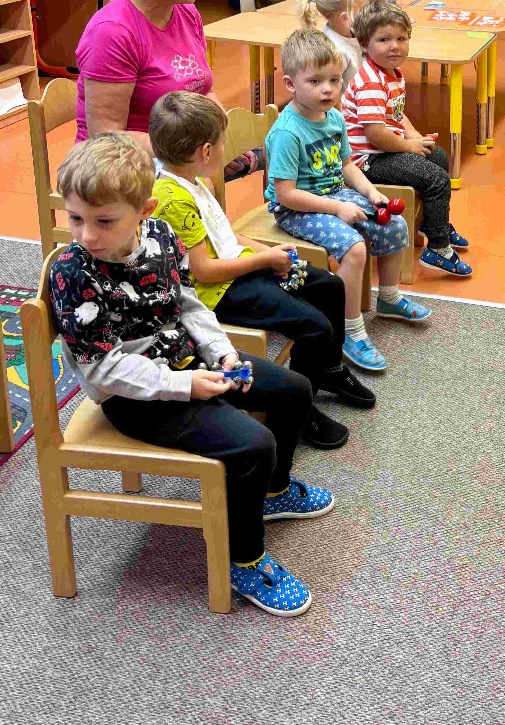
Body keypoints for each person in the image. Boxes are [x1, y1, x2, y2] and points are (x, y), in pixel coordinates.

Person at [47, 133, 334, 617]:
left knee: (295, 390)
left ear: (144, 211)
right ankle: (244, 560)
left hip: (187, 363)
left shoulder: (160, 235)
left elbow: (187, 304)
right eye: (75, 219)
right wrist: (185, 386)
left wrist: (221, 353)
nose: (87, 235)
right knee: (253, 445)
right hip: (136, 398)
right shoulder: (73, 273)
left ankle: (272, 491)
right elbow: (103, 372)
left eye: (103, 221)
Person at [148, 91, 376, 450]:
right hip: (218, 292)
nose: (225, 150)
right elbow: (204, 272)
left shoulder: (195, 180)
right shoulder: (173, 199)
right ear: (206, 152)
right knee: (314, 326)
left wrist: (268, 252)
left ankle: (329, 371)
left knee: (330, 286)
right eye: (222, 143)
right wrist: (265, 261)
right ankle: (301, 409)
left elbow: (224, 234)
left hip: (238, 268)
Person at [265, 28, 431, 374]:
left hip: (333, 194)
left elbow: (345, 166)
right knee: (354, 249)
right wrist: (338, 208)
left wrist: (370, 192)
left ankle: (389, 298)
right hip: (296, 208)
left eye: (334, 80)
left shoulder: (335, 118)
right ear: (290, 84)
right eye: (315, 81)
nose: (328, 89)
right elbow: (286, 194)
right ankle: (349, 331)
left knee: (394, 223)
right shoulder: (287, 132)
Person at [342, 0, 472, 277]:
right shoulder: (371, 82)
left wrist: (416, 138)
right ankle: (437, 248)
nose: (395, 46)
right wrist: (409, 146)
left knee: (437, 156)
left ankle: (432, 224)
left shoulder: (392, 73)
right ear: (364, 44)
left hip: (384, 150)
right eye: (384, 39)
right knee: (436, 178)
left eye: (401, 38)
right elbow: (376, 134)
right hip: (366, 162)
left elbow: (397, 114)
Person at [74, 0, 213, 143]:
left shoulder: (186, 12)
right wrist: (189, 153)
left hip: (182, 150)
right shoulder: (111, 33)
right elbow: (106, 137)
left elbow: (205, 93)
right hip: (125, 159)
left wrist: (225, 139)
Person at [302, 0, 367, 92]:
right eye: (363, 9)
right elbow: (329, 92)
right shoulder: (336, 51)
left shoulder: (350, 31)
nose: (368, 12)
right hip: (351, 102)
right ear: (345, 18)